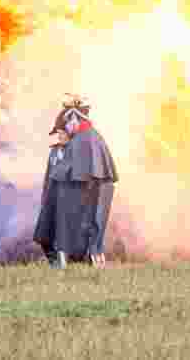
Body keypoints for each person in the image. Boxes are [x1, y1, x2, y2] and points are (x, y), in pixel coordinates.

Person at [33, 96, 118, 269]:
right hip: (83, 199)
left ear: (75, 118)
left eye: (66, 125)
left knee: (72, 222)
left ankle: (73, 255)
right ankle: (84, 255)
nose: (63, 131)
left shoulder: (83, 140)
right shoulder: (90, 139)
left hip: (79, 202)